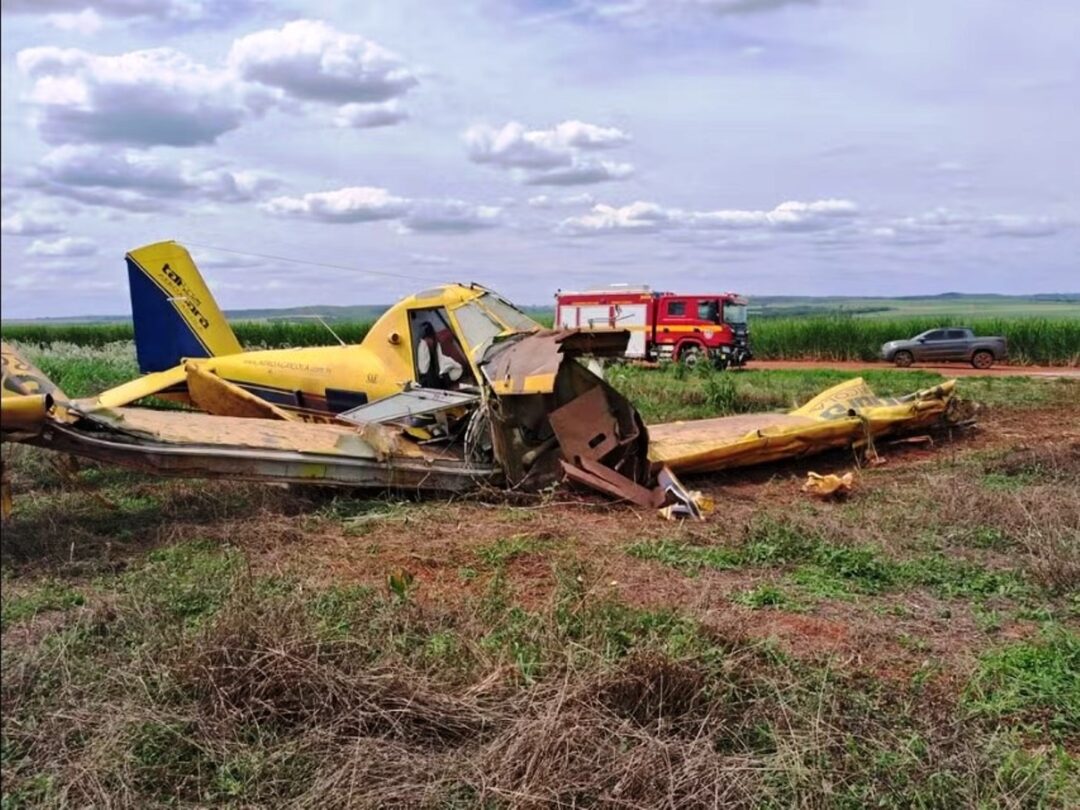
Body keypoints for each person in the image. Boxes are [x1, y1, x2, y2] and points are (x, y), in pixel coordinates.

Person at [417, 322, 463, 388]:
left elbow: (423, 369)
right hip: (434, 381)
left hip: (435, 380)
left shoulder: (427, 344)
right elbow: (424, 369)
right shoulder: (426, 344)